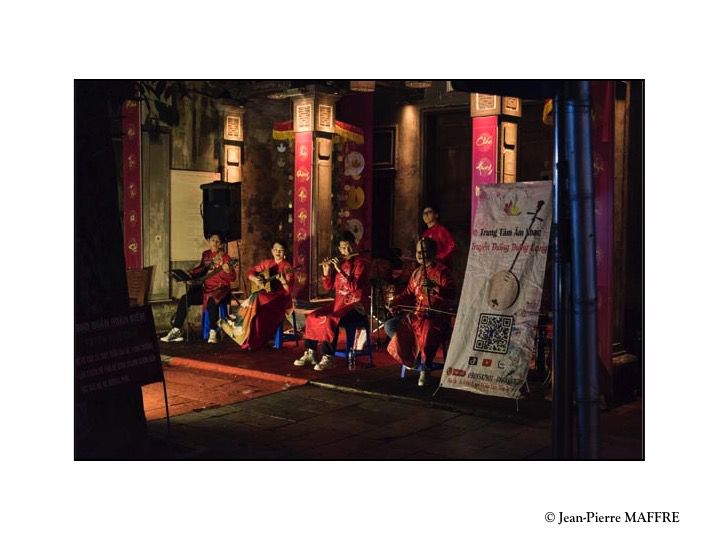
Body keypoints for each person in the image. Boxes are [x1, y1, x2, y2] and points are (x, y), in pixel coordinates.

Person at [294, 231, 370, 371]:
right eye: (342, 248)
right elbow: (328, 286)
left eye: (348, 247)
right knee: (312, 316)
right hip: (339, 304)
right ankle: (311, 352)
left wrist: (338, 270)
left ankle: (329, 357)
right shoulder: (341, 263)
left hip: (356, 306)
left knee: (330, 319)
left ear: (354, 244)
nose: (345, 250)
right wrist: (326, 271)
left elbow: (354, 286)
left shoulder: (361, 263)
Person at [385, 238, 456, 386]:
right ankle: (416, 360)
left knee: (427, 329)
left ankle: (425, 368)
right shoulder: (417, 272)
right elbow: (408, 293)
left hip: (435, 318)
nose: (420, 255)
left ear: (433, 253)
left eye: (424, 252)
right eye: (418, 252)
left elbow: (452, 294)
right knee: (390, 326)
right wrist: (395, 302)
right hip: (416, 316)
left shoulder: (442, 272)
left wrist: (435, 288)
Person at [161, 233, 236, 344]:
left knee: (212, 301)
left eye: (217, 241)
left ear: (220, 244)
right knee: (185, 298)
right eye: (213, 240)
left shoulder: (225, 257)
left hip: (220, 289)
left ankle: (212, 332)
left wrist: (228, 270)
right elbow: (201, 269)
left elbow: (233, 277)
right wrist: (190, 274)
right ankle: (176, 329)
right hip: (206, 289)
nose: (215, 243)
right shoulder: (205, 255)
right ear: (209, 241)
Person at [227, 241, 295, 350]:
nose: (278, 252)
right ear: (272, 251)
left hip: (280, 297)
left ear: (284, 252)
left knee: (256, 298)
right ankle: (248, 338)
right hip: (266, 296)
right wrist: (255, 278)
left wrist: (283, 281)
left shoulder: (287, 267)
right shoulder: (267, 263)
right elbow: (251, 271)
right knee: (256, 312)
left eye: (281, 250)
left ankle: (240, 327)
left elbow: (288, 291)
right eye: (276, 249)